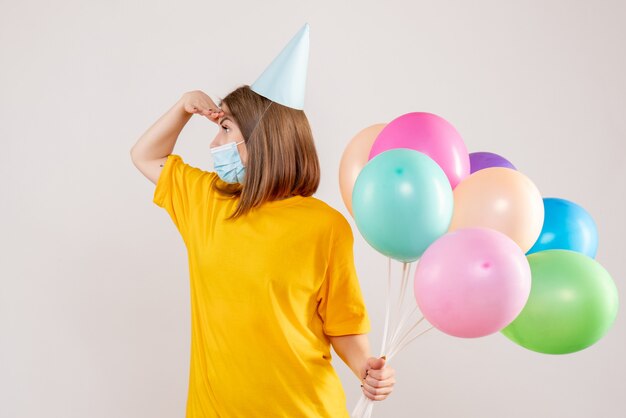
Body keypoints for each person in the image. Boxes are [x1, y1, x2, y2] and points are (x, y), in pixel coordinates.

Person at [131, 24, 395, 418]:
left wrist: (366, 368)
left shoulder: (325, 226)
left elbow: (342, 323)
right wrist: (183, 106)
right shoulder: (205, 201)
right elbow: (146, 156)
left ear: (262, 138)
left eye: (224, 128)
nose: (214, 145)